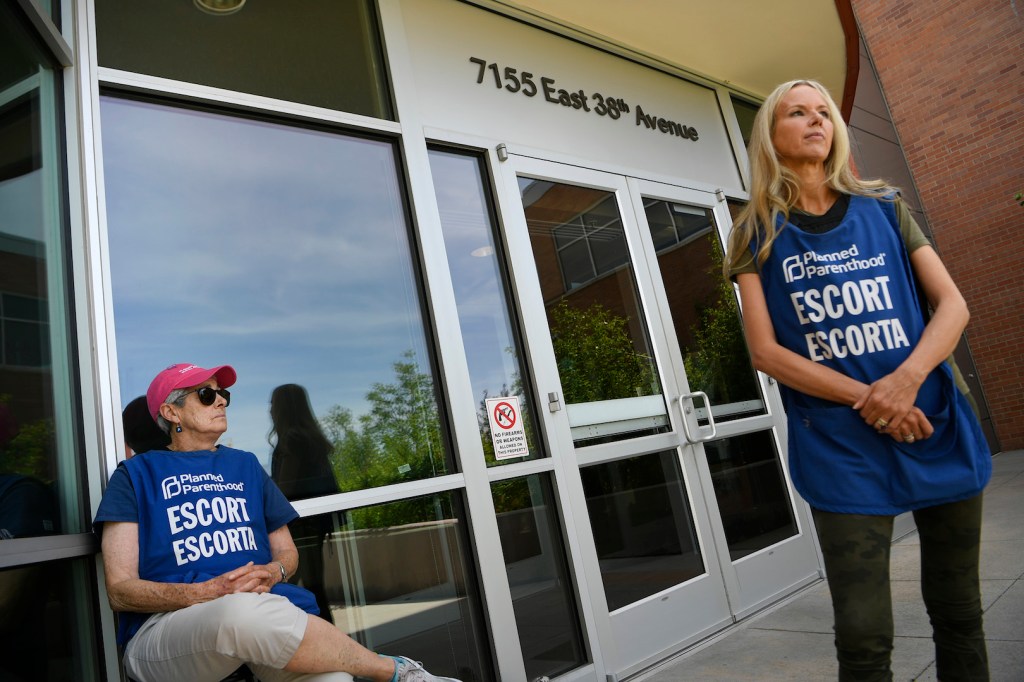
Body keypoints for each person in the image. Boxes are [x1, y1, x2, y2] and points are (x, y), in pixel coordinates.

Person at [724, 80, 991, 681]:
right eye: (797, 113)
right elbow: (766, 353)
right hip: (842, 444)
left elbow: (953, 306)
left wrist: (908, 380)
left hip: (934, 424)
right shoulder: (752, 234)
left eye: (824, 113)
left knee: (959, 611)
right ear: (771, 134)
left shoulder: (888, 207)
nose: (816, 121)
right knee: (863, 636)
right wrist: (875, 399)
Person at [94, 363, 461, 682]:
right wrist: (206, 593)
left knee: (331, 674)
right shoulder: (135, 475)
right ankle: (392, 670)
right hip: (167, 630)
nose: (221, 400)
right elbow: (119, 590)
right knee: (239, 611)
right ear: (171, 413)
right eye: (206, 395)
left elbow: (287, 552)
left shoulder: (246, 465)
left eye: (224, 395)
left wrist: (274, 572)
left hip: (264, 616)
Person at [269, 383, 340, 623]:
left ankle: (326, 646)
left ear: (282, 409)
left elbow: (284, 488)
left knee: (300, 591)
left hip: (301, 528)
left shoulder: (292, 440)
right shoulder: (310, 439)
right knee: (313, 587)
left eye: (272, 405)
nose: (269, 410)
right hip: (315, 525)